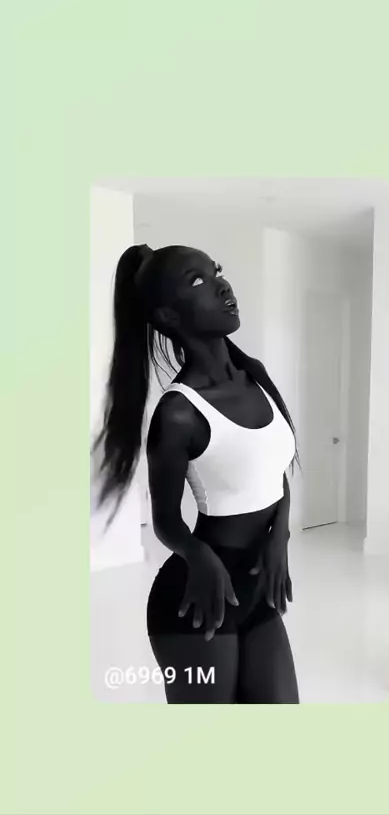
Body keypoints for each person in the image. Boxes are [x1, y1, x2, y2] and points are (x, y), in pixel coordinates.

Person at [93, 243, 300, 703]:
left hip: (256, 593)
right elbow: (166, 521)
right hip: (196, 596)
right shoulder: (179, 413)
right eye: (198, 280)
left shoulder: (255, 376)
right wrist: (198, 555)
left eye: (217, 270)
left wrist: (280, 536)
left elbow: (275, 469)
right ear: (168, 316)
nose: (223, 285)